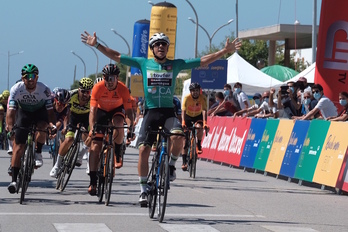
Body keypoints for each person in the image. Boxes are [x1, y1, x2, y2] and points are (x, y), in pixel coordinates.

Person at [81, 30, 241, 205]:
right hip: (150, 112)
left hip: (168, 112)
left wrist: (224, 51)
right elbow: (117, 55)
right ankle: (143, 190)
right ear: (152, 48)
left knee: (179, 137)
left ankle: (171, 165)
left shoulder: (176, 64)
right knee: (143, 150)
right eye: (157, 44)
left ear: (167, 48)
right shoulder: (143, 63)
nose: (161, 47)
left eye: (164, 44)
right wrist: (97, 45)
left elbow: (202, 61)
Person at [7, 64, 57, 193]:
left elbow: (50, 112)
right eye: (27, 77)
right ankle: (14, 180)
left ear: (37, 77)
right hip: (24, 113)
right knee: (18, 147)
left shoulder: (44, 89)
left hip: (40, 113)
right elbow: (11, 112)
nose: (30, 79)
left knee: (42, 127)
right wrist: (10, 128)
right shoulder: (16, 89)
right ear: (22, 79)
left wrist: (52, 124)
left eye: (33, 76)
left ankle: (38, 152)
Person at [86, 64, 134, 195]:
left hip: (116, 110)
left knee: (118, 123)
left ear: (117, 78)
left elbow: (129, 112)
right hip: (101, 111)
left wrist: (131, 127)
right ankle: (92, 181)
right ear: (103, 78)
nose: (110, 81)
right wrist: (92, 128)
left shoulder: (123, 89)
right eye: (107, 78)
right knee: (95, 147)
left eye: (113, 78)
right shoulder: (98, 87)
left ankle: (118, 152)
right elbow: (92, 111)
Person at [50, 77, 93, 178]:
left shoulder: (92, 98)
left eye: (88, 92)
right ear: (79, 89)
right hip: (72, 116)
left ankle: (81, 155)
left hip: (86, 117)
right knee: (69, 139)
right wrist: (65, 127)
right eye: (83, 91)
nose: (85, 94)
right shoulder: (71, 95)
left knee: (91, 135)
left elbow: (94, 112)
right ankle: (57, 165)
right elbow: (66, 112)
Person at [181, 82, 207, 170]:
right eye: (193, 91)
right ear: (190, 91)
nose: (195, 92)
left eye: (197, 91)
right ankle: (184, 162)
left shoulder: (202, 98)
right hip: (188, 116)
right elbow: (183, 111)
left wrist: (205, 122)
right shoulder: (186, 98)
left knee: (200, 127)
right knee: (185, 140)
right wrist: (183, 122)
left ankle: (199, 144)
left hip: (198, 116)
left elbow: (204, 110)